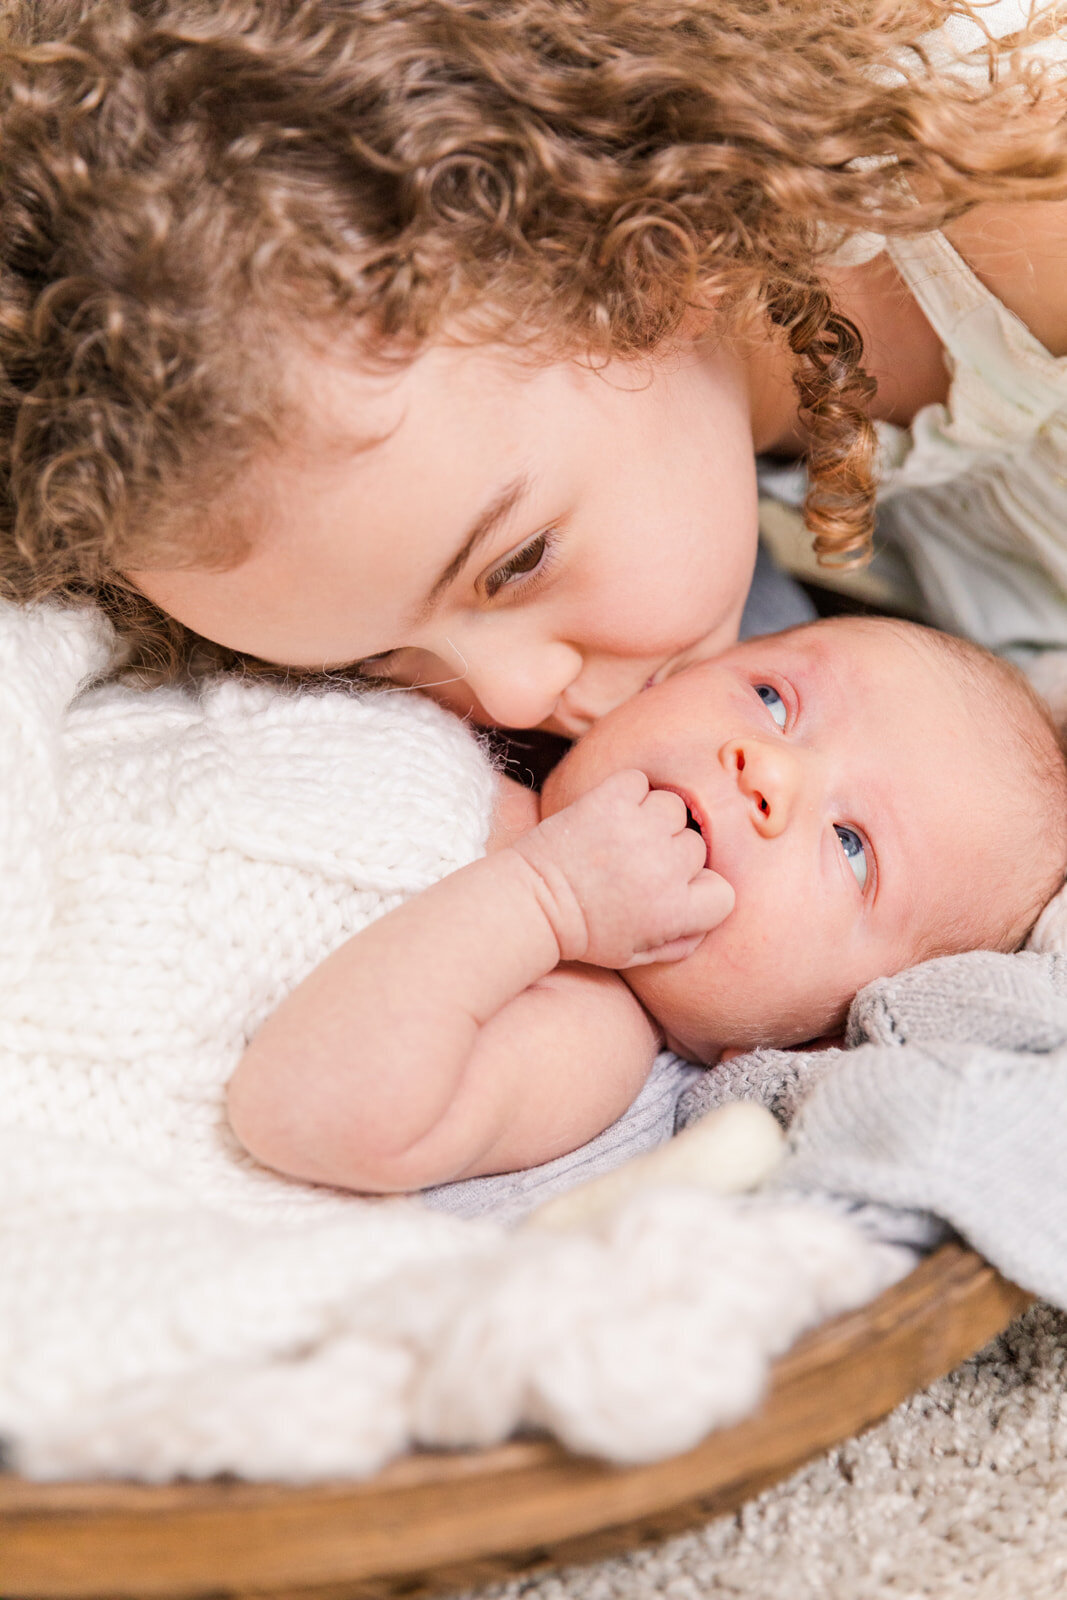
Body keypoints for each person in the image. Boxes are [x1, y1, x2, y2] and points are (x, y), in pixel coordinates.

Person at [2, 0, 1066, 733]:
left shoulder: (1019, 195)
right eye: (378, 664)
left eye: (514, 563)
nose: (511, 703)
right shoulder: (692, 445)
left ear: (650, 244)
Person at [226, 615, 1067, 1195]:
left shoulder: (585, 1028)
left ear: (806, 1035)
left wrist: (545, 900)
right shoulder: (485, 709)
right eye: (773, 701)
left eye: (851, 846)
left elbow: (313, 1115)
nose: (767, 770)